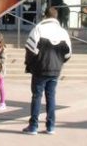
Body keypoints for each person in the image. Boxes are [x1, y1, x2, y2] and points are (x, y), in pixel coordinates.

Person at [22, 7, 72, 135]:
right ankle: (51, 126)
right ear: (56, 17)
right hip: (55, 70)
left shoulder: (38, 28)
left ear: (45, 16)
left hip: (40, 69)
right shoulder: (62, 32)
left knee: (37, 97)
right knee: (51, 97)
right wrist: (59, 63)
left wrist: (30, 65)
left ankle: (33, 127)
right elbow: (68, 54)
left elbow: (30, 49)